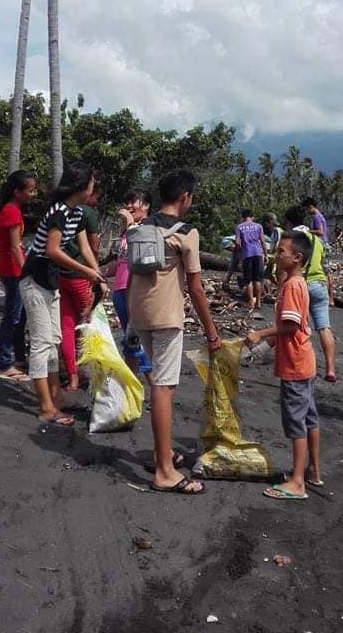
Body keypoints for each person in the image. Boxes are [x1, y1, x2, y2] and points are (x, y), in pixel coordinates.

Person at [127, 169, 222, 495]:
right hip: (167, 317)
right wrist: (211, 332)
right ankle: (165, 471)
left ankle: (162, 453)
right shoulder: (186, 233)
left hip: (139, 314)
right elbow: (195, 288)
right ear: (185, 198)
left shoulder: (141, 226)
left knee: (159, 382)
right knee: (164, 388)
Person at [19, 163, 107, 426]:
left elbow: (84, 248)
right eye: (91, 182)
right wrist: (86, 272)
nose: (93, 187)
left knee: (55, 338)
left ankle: (56, 398)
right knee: (41, 343)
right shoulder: (58, 212)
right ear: (82, 187)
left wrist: (97, 273)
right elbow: (54, 250)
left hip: (51, 281)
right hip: (35, 280)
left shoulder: (77, 212)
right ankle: (46, 407)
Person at [246, 231, 321, 500]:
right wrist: (265, 348)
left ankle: (298, 482)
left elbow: (288, 326)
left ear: (297, 258)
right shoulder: (297, 283)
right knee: (309, 418)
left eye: (281, 252)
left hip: (295, 365)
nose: (277, 256)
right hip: (304, 361)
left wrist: (260, 334)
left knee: (296, 423)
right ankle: (313, 470)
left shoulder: (292, 286)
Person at [57, 178, 103, 391]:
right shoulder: (87, 213)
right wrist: (96, 274)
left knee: (67, 327)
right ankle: (97, 374)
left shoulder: (60, 210)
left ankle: (72, 377)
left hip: (61, 275)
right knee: (91, 324)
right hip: (81, 276)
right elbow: (92, 247)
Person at [284, 205, 337, 383]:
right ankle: (330, 369)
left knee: (299, 329)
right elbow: (322, 264)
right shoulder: (316, 239)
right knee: (324, 327)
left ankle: (303, 366)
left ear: (289, 222)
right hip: (320, 285)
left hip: (302, 286)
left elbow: (286, 268)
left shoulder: (292, 239)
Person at [106, 190, 153, 386]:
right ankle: (130, 387)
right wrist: (96, 272)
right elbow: (121, 262)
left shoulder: (148, 227)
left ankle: (153, 384)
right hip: (120, 289)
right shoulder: (127, 231)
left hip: (134, 290)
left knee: (135, 339)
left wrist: (130, 223)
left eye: (134, 202)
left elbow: (142, 253)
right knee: (130, 339)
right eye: (127, 203)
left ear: (147, 205)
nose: (129, 207)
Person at [0, 170, 37, 378]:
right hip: (13, 270)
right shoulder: (12, 212)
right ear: (18, 192)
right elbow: (13, 247)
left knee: (19, 316)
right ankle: (4, 362)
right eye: (30, 190)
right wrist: (26, 272)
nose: (33, 194)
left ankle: (17, 357)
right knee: (12, 316)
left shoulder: (11, 210)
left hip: (12, 268)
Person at [235, 208, 268, 311]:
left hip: (247, 254)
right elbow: (262, 241)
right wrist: (266, 255)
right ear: (252, 217)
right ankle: (258, 302)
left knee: (248, 280)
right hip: (258, 253)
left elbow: (237, 242)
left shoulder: (239, 227)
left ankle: (251, 302)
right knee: (258, 279)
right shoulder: (258, 226)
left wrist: (238, 252)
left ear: (243, 217)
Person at [261, 212, 284, 288]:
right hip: (276, 255)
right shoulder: (279, 230)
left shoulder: (276, 230)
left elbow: (277, 243)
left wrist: (271, 253)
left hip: (276, 256)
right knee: (267, 275)